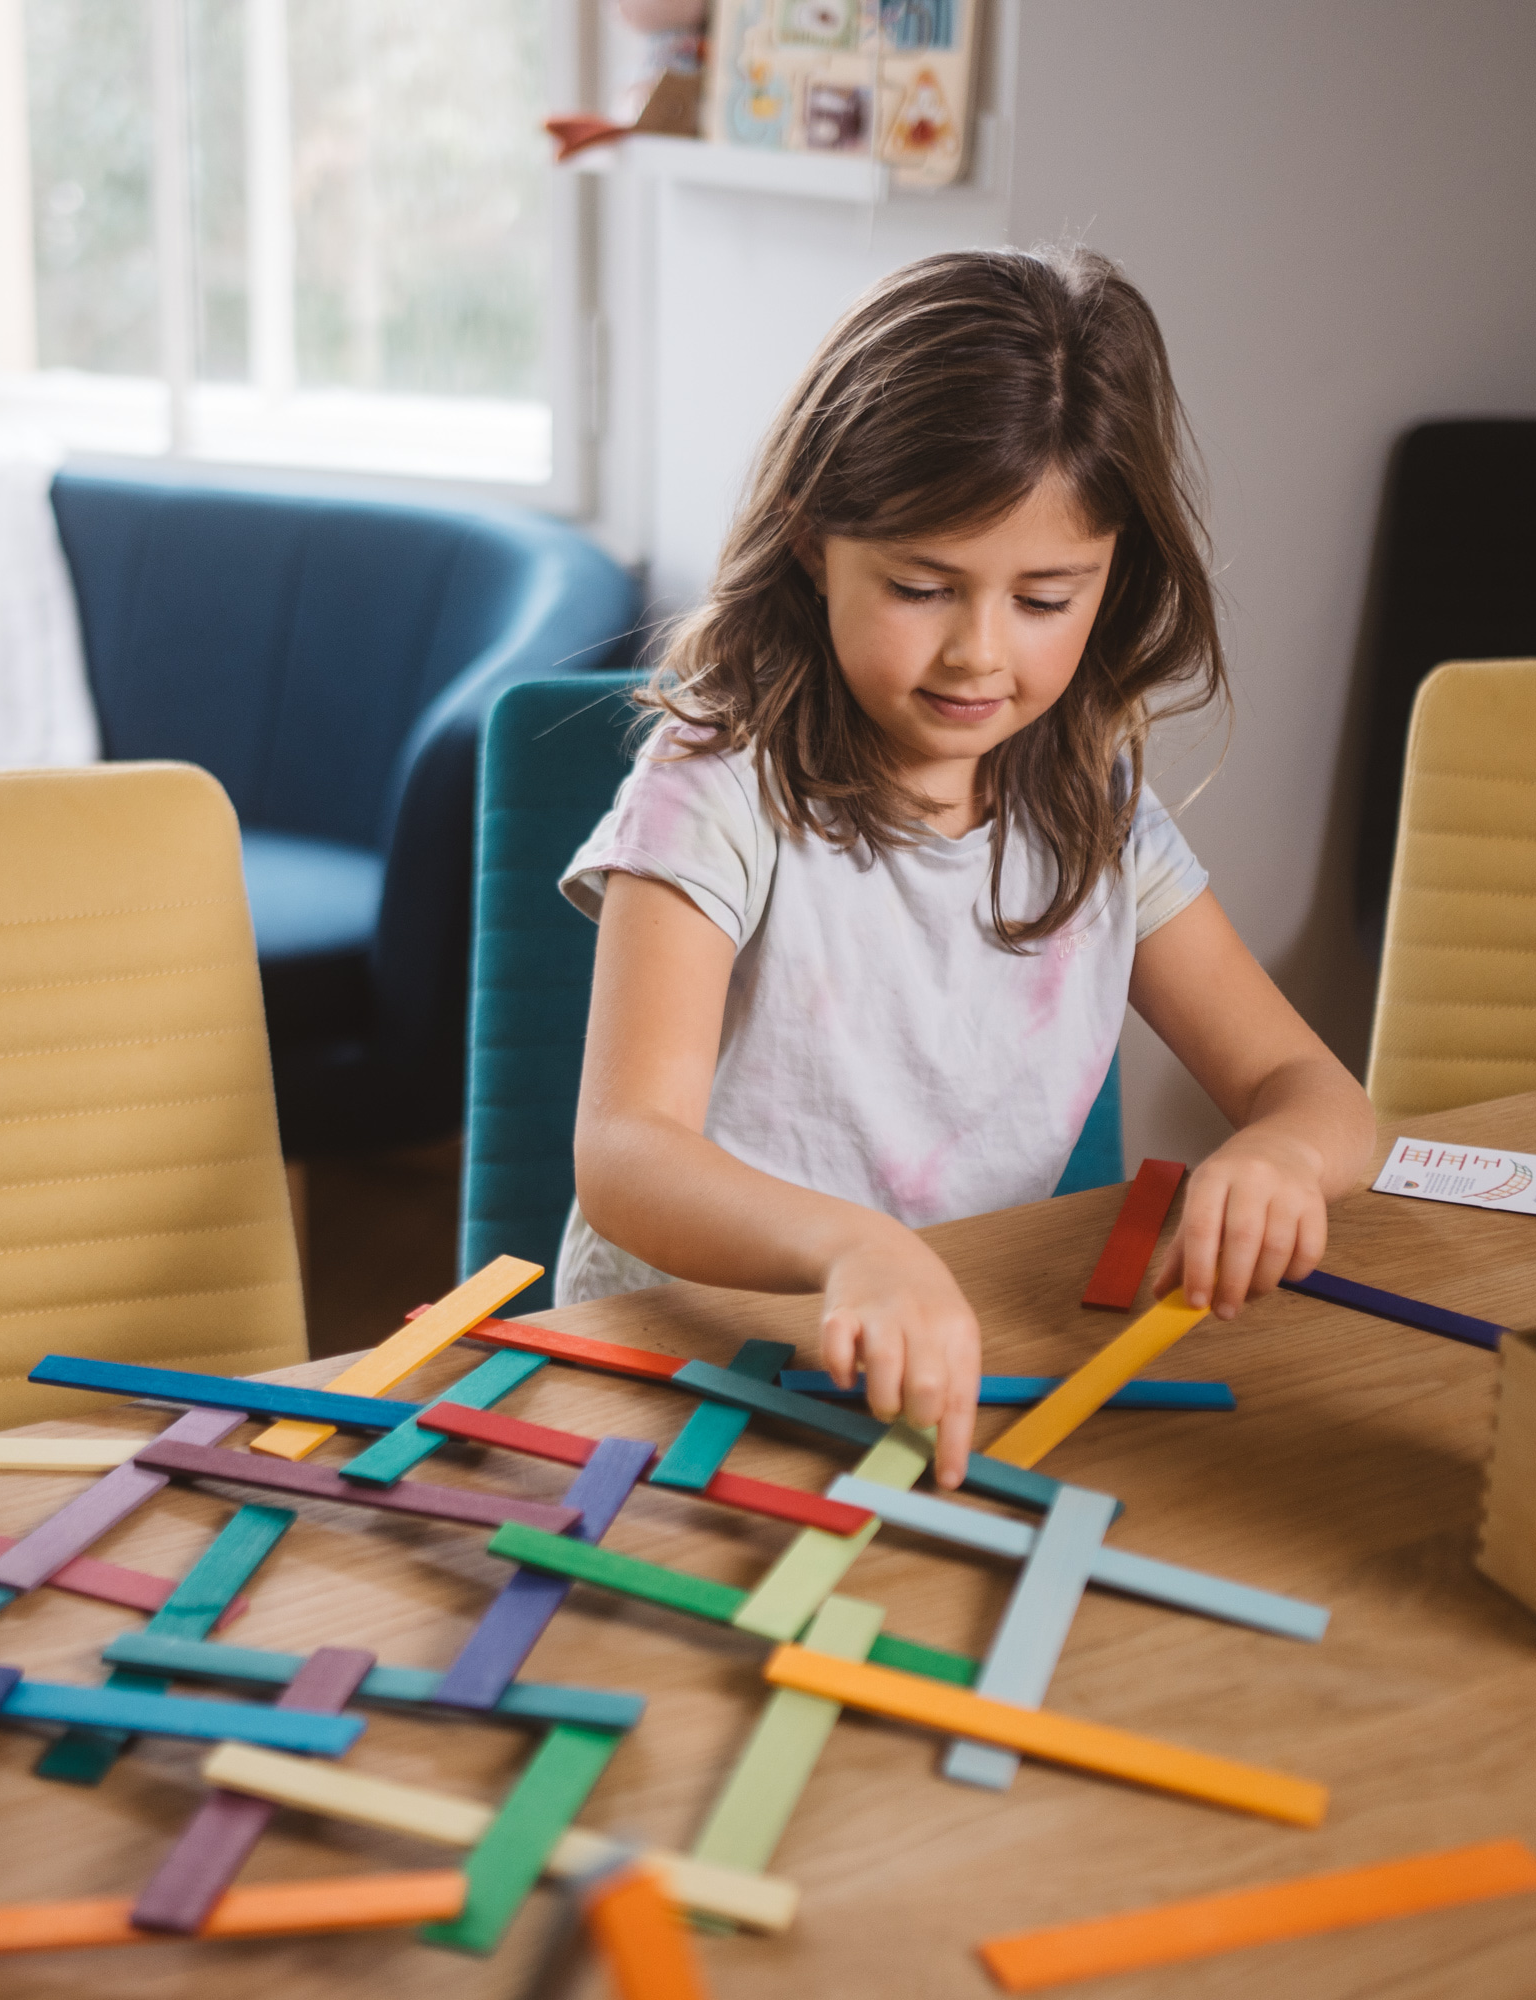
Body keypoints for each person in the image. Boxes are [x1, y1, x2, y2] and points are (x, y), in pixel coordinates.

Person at [561, 246, 1377, 1488]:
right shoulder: (714, 783)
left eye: (1046, 598)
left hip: (956, 1362)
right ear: (811, 540)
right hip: (687, 1364)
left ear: (1115, 578)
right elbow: (627, 1151)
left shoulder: (1095, 803)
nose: (978, 653)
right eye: (923, 586)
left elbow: (1312, 1089)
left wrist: (1276, 1156)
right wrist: (858, 1250)